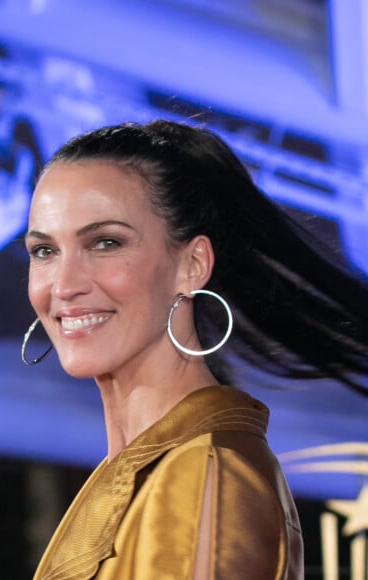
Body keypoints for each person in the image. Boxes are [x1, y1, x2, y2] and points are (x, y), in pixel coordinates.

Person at [21, 120, 368, 579]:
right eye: (44, 251)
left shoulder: (202, 474)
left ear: (193, 264)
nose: (63, 286)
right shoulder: (152, 468)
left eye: (105, 243)